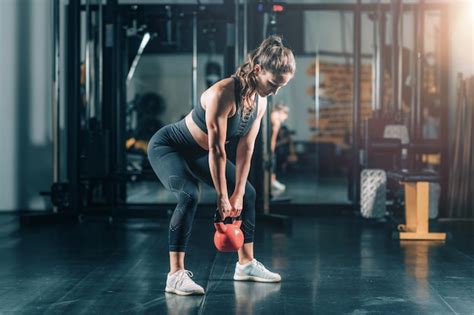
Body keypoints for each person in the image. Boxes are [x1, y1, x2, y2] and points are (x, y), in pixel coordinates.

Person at [147, 35, 295, 296]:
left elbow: (246, 148)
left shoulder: (260, 101)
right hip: (169, 147)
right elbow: (217, 150)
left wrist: (237, 193)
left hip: (200, 152)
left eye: (280, 87)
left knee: (248, 193)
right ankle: (175, 275)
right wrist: (223, 197)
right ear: (258, 70)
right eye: (273, 84)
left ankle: (246, 264)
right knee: (189, 194)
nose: (274, 92)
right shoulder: (223, 93)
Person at [270, 103, 290, 192]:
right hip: (268, 147)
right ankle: (272, 181)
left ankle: (272, 181)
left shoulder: (271, 115)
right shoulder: (276, 121)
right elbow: (273, 139)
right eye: (285, 116)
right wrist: (271, 151)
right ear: (282, 112)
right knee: (272, 161)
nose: (285, 119)